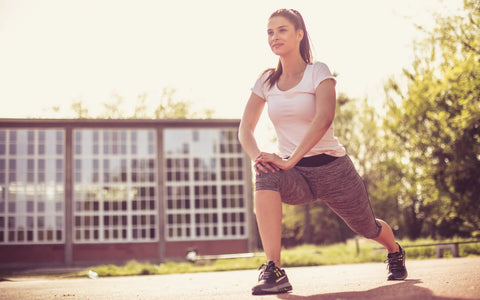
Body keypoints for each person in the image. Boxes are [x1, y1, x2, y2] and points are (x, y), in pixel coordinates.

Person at [238, 8, 408, 295]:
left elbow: (324, 118)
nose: (274, 37)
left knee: (367, 227)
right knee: (265, 171)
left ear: (299, 34)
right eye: (270, 32)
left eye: (282, 30)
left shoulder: (319, 72)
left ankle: (394, 250)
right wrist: (259, 157)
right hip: (295, 175)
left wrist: (290, 159)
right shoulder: (266, 80)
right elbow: (245, 129)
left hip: (333, 170)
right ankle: (274, 268)